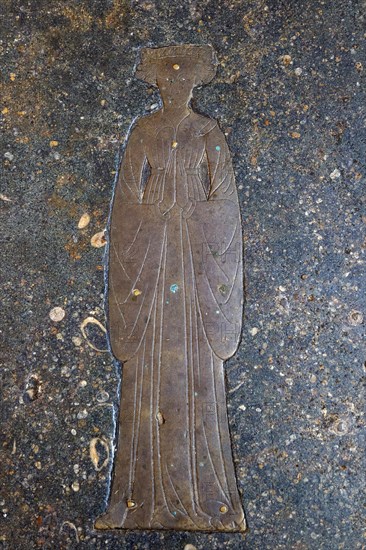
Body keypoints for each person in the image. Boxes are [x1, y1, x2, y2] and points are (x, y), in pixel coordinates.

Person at [95, 44, 245, 532]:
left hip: (195, 258)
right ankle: (137, 500)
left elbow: (223, 202)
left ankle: (209, 501)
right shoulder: (145, 130)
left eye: (182, 83)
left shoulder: (207, 132)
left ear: (192, 87)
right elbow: (126, 199)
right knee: (149, 366)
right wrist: (155, 219)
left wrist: (191, 217)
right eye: (167, 83)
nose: (174, 89)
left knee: (195, 364)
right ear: (160, 87)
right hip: (153, 259)